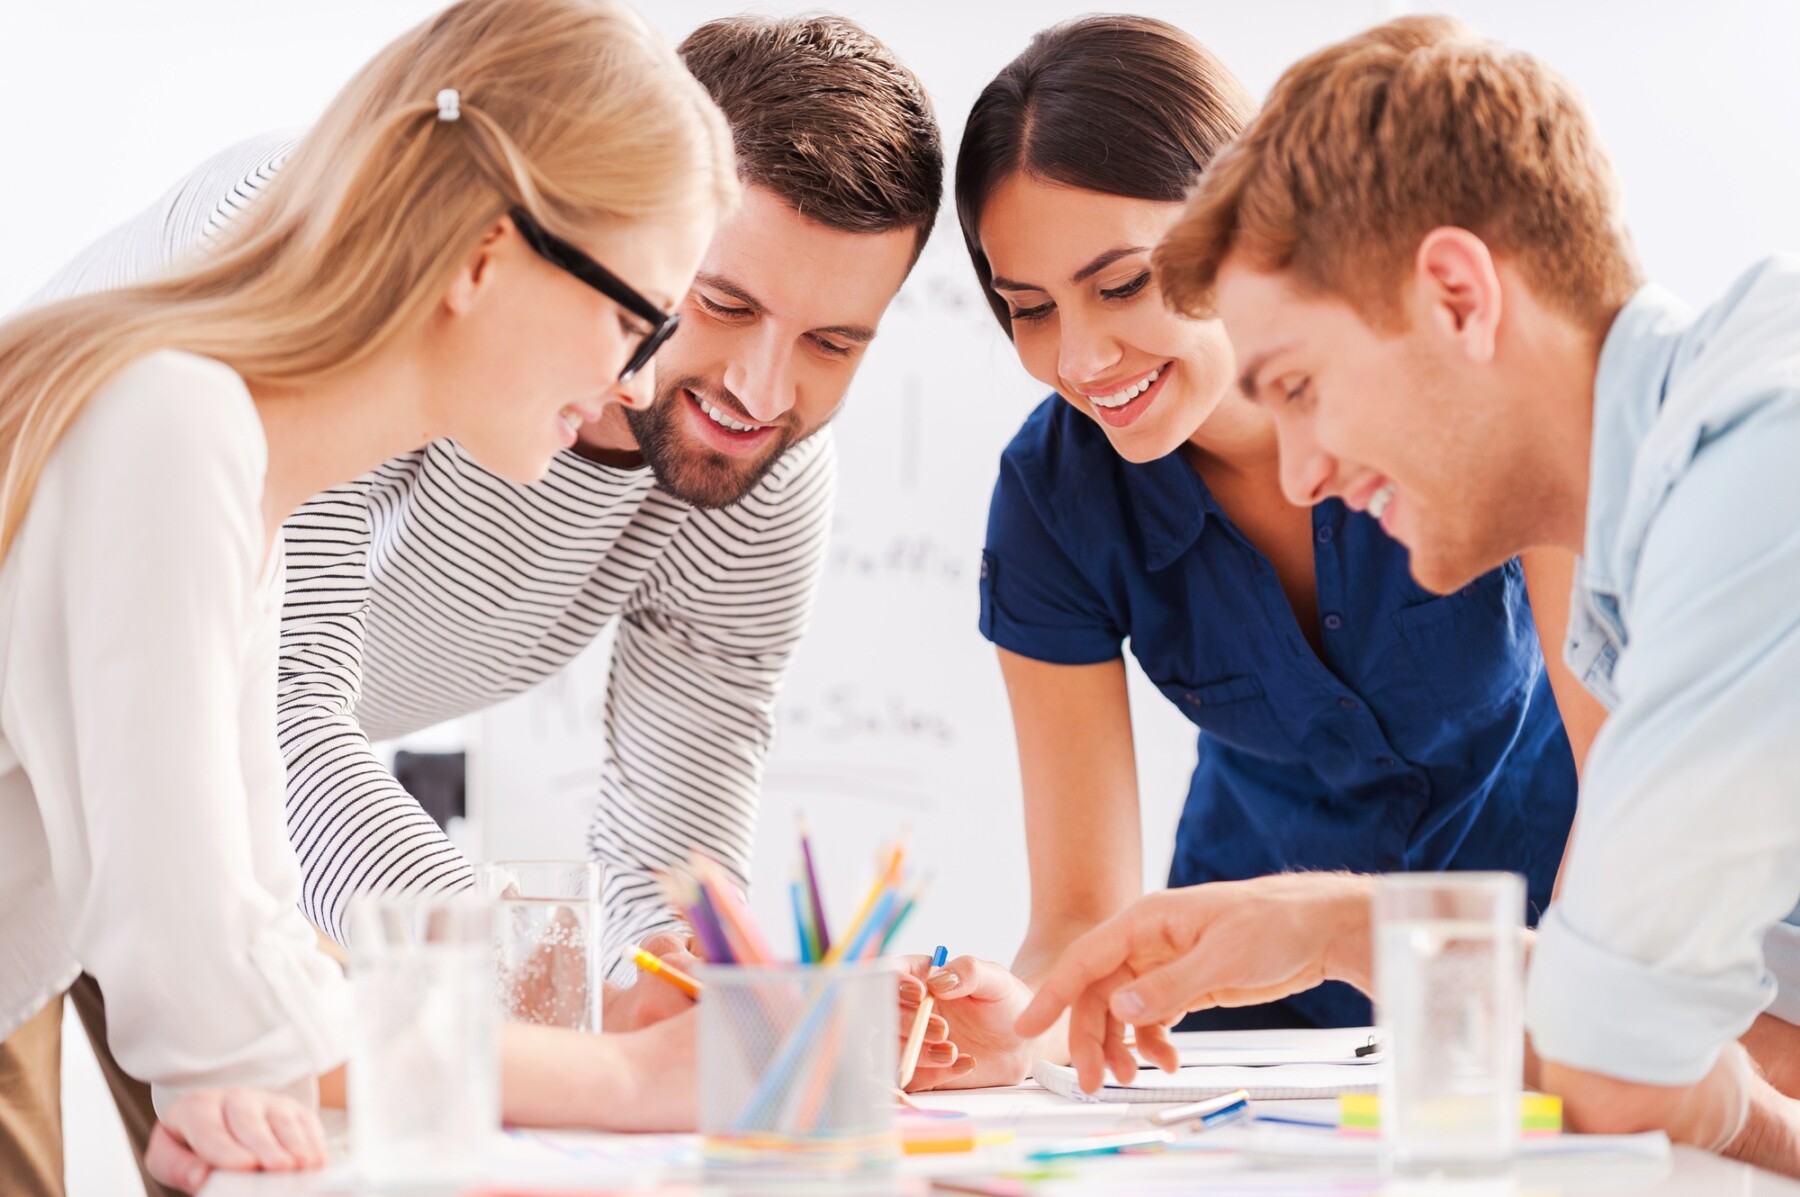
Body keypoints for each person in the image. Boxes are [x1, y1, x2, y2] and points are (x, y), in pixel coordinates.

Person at [10, 13, 943, 1196]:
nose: (644, 380)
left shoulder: (241, 478)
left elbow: (246, 933)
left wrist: (682, 1004)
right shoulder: (190, 415)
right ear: (485, 255)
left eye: (831, 342)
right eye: (645, 317)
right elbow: (220, 966)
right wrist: (606, 1060)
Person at [1015, 14, 1800, 1175]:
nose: (1297, 473)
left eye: (1300, 385)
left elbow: (1619, 1061)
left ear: (1456, 295)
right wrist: (1338, 928)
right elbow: (1637, 1010)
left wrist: (1728, 1115)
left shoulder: (1754, 477)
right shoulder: (1657, 509)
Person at [896, 15, 1605, 1093]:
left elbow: (1625, 810)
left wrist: (1579, 1010)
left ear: (1236, 219)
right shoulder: (1055, 496)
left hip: (1538, 964)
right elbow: (1085, 914)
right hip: (1249, 1009)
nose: (1079, 357)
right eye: (1028, 308)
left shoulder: (1469, 397)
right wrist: (1020, 1022)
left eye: (1123, 284)